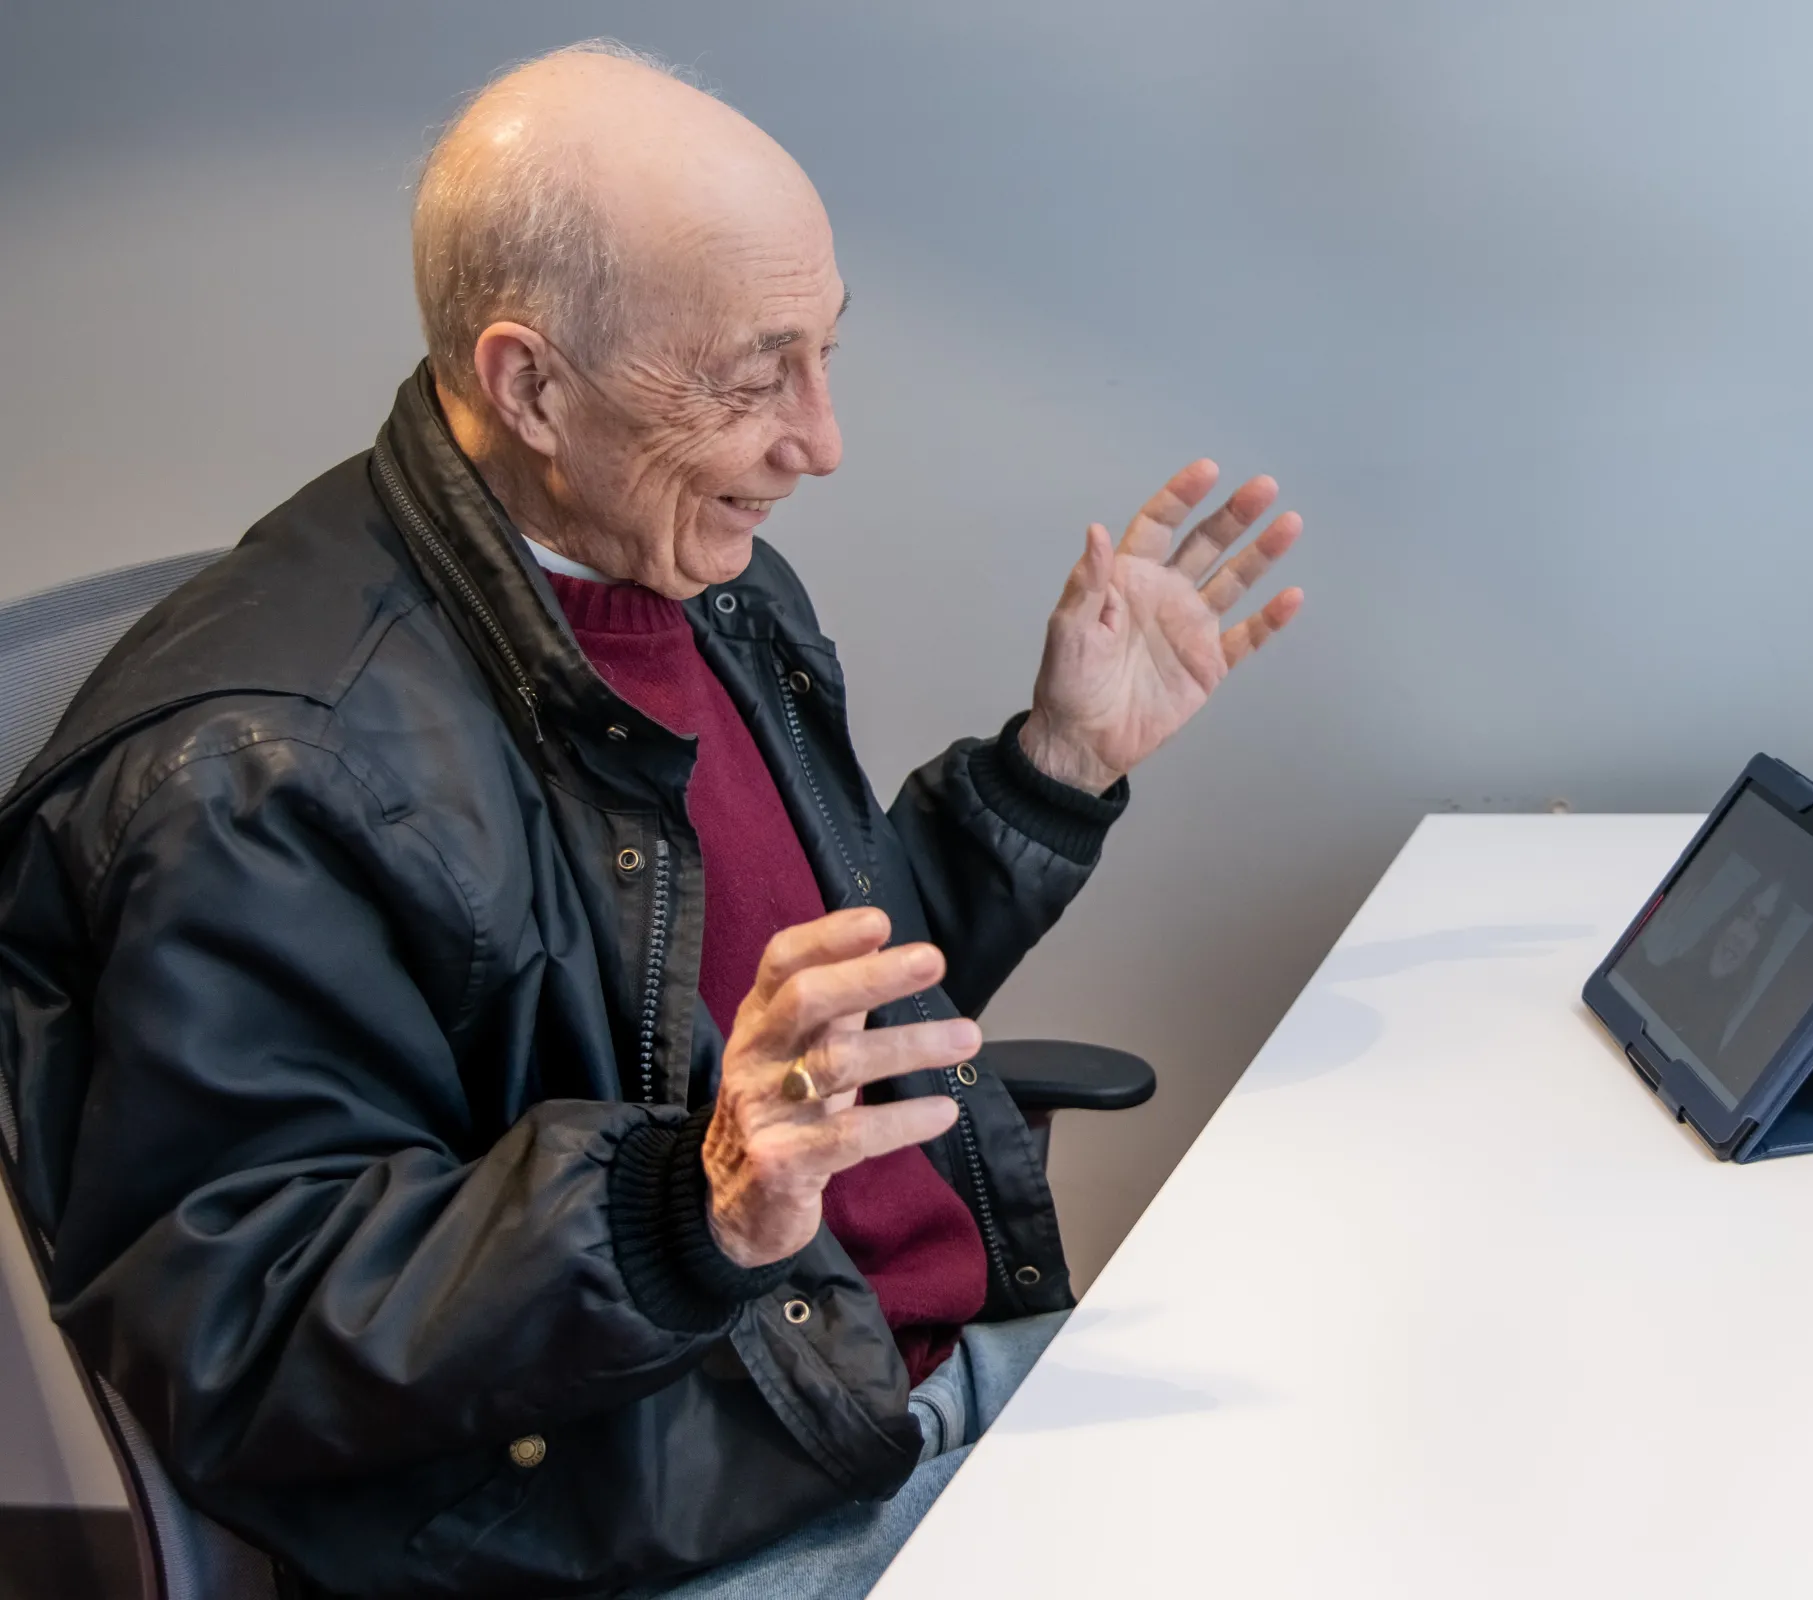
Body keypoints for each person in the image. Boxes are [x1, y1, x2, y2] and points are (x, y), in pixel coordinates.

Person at [0, 39, 1303, 1600]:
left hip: (877, 1380)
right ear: (529, 384)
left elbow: (803, 1020)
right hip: (663, 1515)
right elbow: (243, 1328)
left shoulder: (687, 574)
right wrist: (686, 1198)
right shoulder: (254, 773)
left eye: (825, 357)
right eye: (755, 378)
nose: (819, 441)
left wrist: (1054, 767)